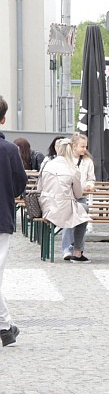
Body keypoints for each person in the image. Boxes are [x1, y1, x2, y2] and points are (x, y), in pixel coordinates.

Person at [0, 95, 28, 346]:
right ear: (3, 119)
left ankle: (6, 326)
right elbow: (20, 184)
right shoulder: (10, 150)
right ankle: (5, 326)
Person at [39, 139, 91, 262]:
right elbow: (78, 194)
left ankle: (64, 249)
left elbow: (39, 187)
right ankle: (77, 252)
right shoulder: (73, 169)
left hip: (46, 207)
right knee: (83, 212)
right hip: (64, 207)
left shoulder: (47, 165)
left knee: (75, 212)